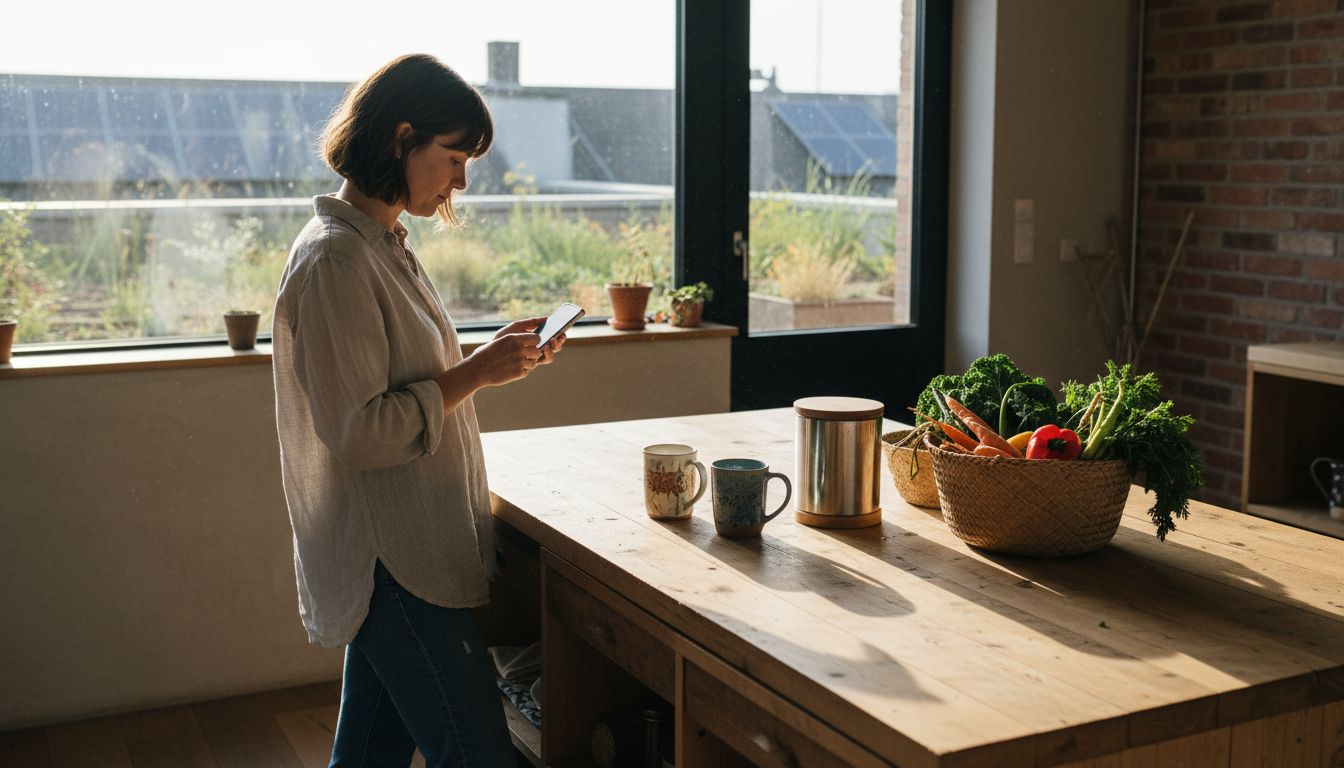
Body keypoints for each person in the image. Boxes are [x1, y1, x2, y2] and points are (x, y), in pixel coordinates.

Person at [271, 53, 561, 767]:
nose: (461, 180)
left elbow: (410, 379)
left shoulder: (379, 244)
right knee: (478, 755)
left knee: (369, 755)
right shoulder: (337, 260)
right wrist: (476, 373)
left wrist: (484, 361)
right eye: (455, 157)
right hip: (392, 560)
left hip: (402, 549)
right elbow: (360, 433)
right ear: (402, 138)